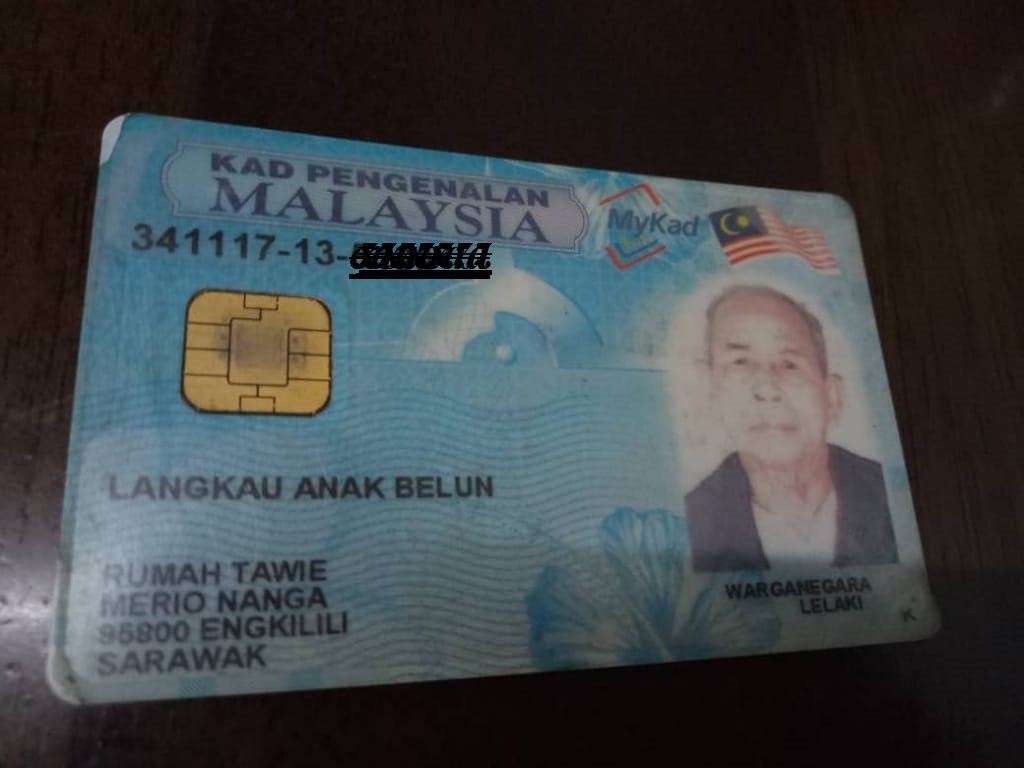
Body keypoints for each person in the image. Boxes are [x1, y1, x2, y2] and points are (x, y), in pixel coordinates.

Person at [684, 285, 897, 571]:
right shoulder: (688, 524)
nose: (768, 389)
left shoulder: (897, 499)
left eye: (789, 364)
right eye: (741, 362)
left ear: (832, 396)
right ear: (711, 393)